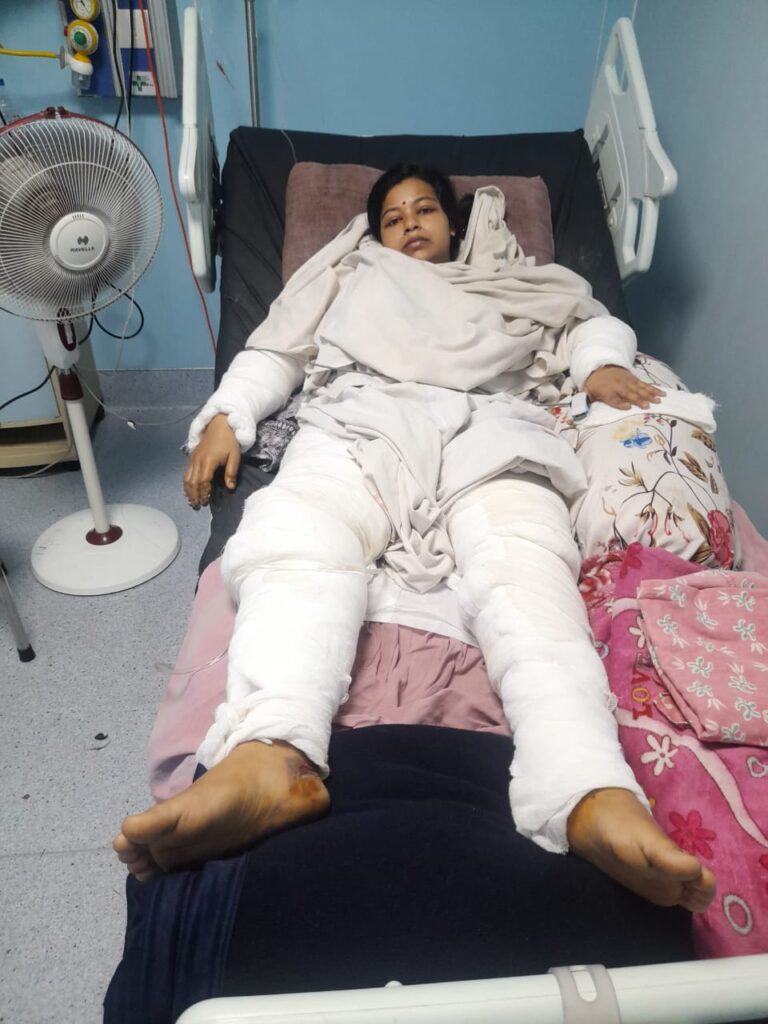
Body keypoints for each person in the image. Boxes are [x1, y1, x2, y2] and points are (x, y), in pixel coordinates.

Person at [114, 164, 715, 914]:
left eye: (423, 209)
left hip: (492, 422)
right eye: (392, 218)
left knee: (525, 569)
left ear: (453, 223)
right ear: (375, 235)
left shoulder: (517, 281)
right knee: (296, 533)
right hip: (360, 417)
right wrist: (227, 418)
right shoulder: (349, 275)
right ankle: (270, 751)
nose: (409, 224)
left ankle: (584, 785)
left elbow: (586, 321)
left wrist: (598, 367)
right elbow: (276, 352)